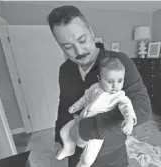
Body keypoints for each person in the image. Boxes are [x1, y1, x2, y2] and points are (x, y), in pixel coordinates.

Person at [47, 5, 152, 167]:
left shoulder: (120, 62)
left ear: (91, 32)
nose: (79, 50)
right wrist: (58, 138)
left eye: (82, 40)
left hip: (112, 157)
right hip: (75, 156)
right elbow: (64, 106)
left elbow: (143, 109)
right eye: (67, 47)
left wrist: (84, 130)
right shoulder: (65, 70)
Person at [56, 57, 137, 167]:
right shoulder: (95, 88)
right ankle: (69, 148)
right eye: (109, 81)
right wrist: (76, 106)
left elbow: (127, 107)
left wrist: (129, 119)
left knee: (88, 157)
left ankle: (83, 165)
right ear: (99, 78)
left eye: (120, 81)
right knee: (64, 131)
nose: (115, 85)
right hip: (80, 118)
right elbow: (85, 98)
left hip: (95, 133)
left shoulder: (119, 96)